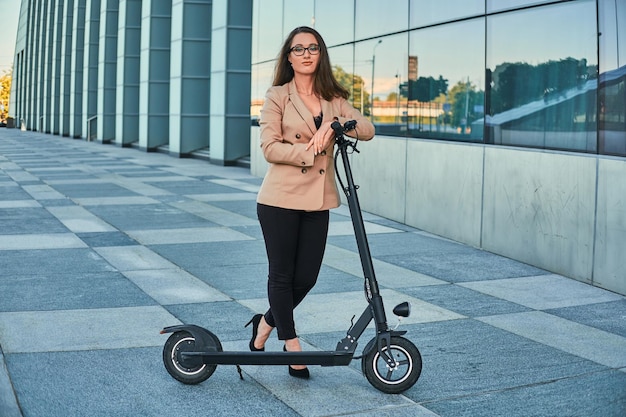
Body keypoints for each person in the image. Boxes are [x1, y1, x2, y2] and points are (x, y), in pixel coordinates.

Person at [245, 26, 375, 379]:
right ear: (288, 56)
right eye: (298, 48)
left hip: (317, 200)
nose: (305, 54)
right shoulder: (277, 96)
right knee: (282, 275)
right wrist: (310, 149)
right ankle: (292, 343)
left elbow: (367, 128)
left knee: (307, 278)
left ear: (321, 54)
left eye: (312, 48)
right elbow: (270, 148)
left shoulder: (334, 97)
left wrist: (334, 125)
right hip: (279, 200)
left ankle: (266, 323)